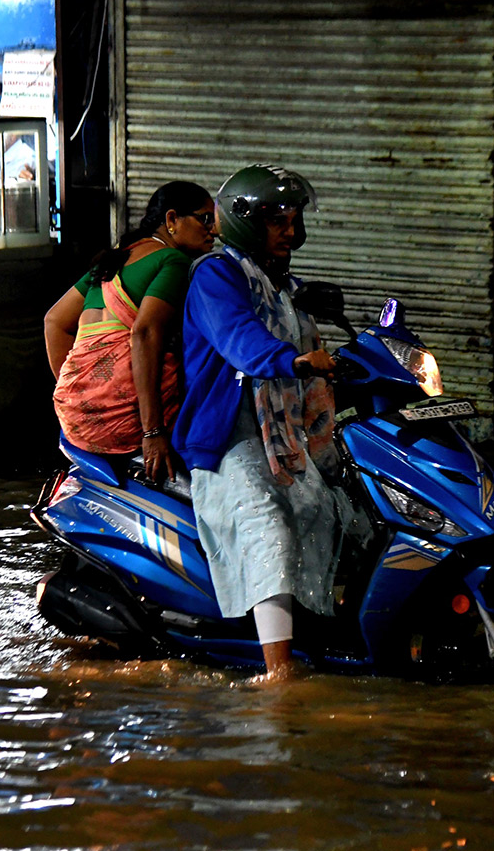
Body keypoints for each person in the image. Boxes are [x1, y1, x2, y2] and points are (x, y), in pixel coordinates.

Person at [172, 165, 340, 680]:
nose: (290, 229)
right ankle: (279, 674)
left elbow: (313, 334)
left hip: (283, 433)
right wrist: (289, 360)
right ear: (247, 223)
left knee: (332, 510)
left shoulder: (284, 283)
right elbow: (239, 338)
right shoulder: (215, 276)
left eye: (293, 218)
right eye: (277, 220)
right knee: (272, 532)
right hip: (229, 438)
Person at [51, 181, 216, 481]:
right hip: (125, 423)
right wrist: (152, 432)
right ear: (171, 220)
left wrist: (84, 391)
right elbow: (144, 333)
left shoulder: (112, 259)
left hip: (72, 416)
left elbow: (54, 322)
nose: (214, 230)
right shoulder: (174, 261)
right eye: (205, 218)